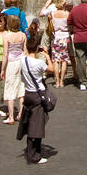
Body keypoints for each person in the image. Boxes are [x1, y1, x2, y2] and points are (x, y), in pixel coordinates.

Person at [17, 33, 51, 164]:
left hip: (28, 94)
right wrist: (47, 55)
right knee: (36, 126)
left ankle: (33, 151)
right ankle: (34, 156)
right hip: (38, 95)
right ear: (37, 48)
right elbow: (52, 69)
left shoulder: (23, 60)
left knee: (31, 122)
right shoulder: (39, 63)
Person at [1, 14, 28, 122]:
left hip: (11, 63)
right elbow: (25, 51)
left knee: (10, 88)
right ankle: (21, 114)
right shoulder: (23, 35)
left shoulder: (7, 36)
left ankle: (11, 116)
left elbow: (5, 55)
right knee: (21, 88)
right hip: (21, 61)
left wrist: (2, 69)